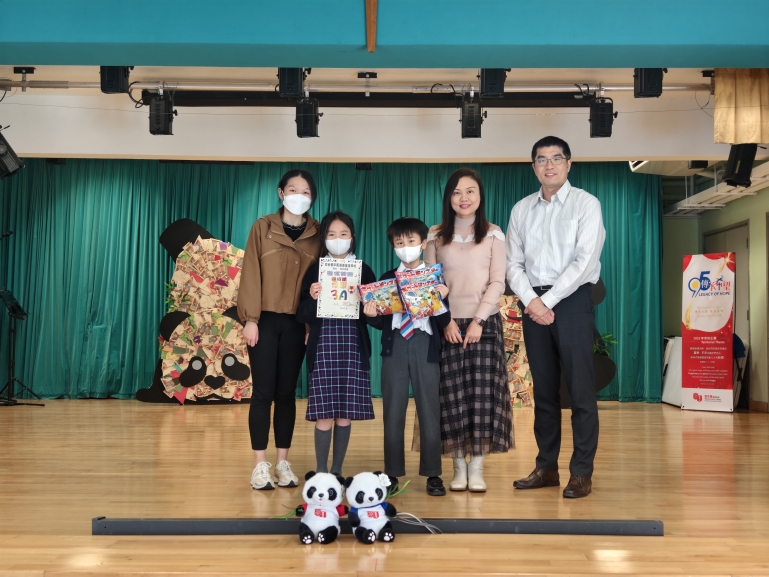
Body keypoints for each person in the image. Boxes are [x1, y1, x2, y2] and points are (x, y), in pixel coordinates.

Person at [506, 136, 606, 499]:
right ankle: (546, 467)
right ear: (533, 166)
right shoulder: (521, 210)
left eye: (556, 158)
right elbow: (513, 264)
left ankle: (581, 473)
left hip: (573, 300)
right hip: (534, 302)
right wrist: (533, 301)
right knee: (544, 392)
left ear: (568, 164)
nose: (549, 165)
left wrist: (545, 301)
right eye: (542, 159)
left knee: (580, 391)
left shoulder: (586, 204)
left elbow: (585, 261)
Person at [425, 168, 514, 493]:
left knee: (482, 397)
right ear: (448, 198)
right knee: (451, 397)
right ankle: (457, 466)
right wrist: (445, 320)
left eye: (470, 191)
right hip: (447, 325)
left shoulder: (494, 234)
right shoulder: (435, 235)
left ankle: (476, 467)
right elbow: (430, 283)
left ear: (480, 196)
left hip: (483, 325)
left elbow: (498, 281)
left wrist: (478, 320)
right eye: (457, 192)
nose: (464, 198)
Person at [238, 169, 321, 490]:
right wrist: (251, 318)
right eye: (293, 189)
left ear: (312, 198)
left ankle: (283, 462)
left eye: (306, 191)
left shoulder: (317, 233)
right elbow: (251, 272)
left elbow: (318, 283)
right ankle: (260, 465)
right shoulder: (263, 227)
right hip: (264, 320)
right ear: (281, 193)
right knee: (263, 392)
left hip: (297, 322)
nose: (299, 196)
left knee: (287, 393)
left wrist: (310, 324)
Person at [364, 217, 451, 497]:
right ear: (393, 246)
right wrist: (370, 314)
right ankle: (391, 473)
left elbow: (444, 321)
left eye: (411, 241)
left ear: (423, 244)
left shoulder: (435, 276)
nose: (405, 246)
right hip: (396, 345)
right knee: (393, 410)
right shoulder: (387, 277)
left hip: (425, 345)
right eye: (399, 242)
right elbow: (380, 321)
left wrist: (441, 301)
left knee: (429, 410)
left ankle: (433, 474)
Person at [296, 211, 377, 477]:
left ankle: (337, 470)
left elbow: (376, 317)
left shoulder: (363, 270)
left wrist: (369, 307)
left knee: (345, 413)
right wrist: (312, 298)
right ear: (323, 238)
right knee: (324, 413)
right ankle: (321, 471)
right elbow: (302, 314)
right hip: (323, 345)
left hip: (353, 345)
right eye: (331, 234)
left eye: (343, 234)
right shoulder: (315, 270)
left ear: (352, 237)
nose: (338, 239)